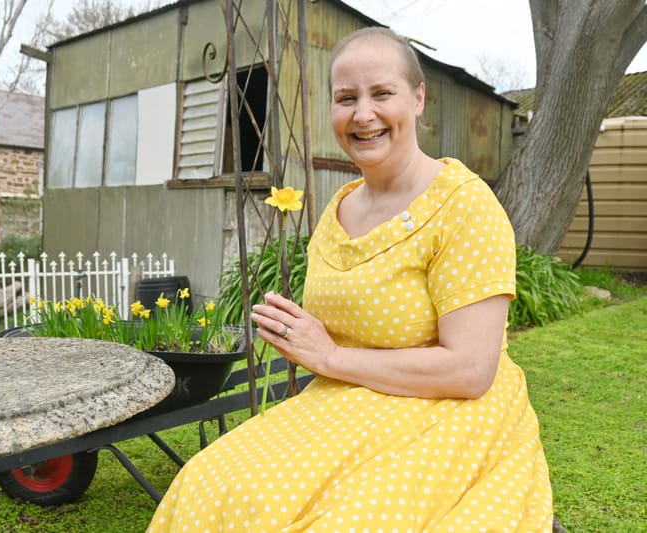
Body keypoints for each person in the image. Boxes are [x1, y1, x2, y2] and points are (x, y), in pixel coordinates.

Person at [148, 27, 553, 532]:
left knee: (349, 521)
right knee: (207, 483)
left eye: (382, 93)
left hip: (448, 412)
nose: (363, 115)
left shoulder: (464, 206)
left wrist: (332, 357)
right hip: (345, 402)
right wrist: (303, 338)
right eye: (346, 99)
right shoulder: (338, 210)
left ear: (418, 98)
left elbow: (470, 372)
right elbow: (333, 338)